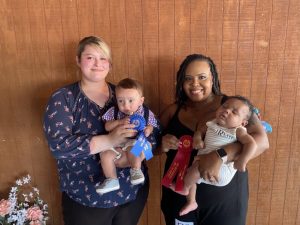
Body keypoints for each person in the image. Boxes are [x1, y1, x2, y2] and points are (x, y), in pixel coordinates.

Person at [43, 36, 160, 225]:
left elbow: (154, 135)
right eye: (90, 57)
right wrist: (109, 140)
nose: (97, 63)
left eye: (103, 58)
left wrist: (134, 155)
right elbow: (59, 147)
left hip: (131, 194)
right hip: (86, 198)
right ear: (78, 60)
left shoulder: (124, 94)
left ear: (110, 64)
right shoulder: (63, 98)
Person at [160, 54, 269, 225]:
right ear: (181, 82)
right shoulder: (171, 111)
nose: (195, 84)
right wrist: (161, 145)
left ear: (213, 78)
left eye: (202, 77)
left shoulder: (236, 106)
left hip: (226, 203)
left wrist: (219, 155)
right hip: (179, 198)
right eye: (188, 78)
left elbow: (262, 142)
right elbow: (146, 147)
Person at [171, 95, 257, 216]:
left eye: (234, 112)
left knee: (193, 172)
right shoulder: (212, 123)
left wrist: (243, 160)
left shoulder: (237, 130)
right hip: (202, 165)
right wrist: (197, 139)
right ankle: (191, 202)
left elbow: (251, 143)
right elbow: (199, 131)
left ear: (243, 122)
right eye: (224, 106)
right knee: (191, 173)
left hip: (222, 170)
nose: (226, 110)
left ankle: (185, 188)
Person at [96, 78, 158, 194]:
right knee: (105, 154)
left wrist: (148, 130)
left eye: (131, 100)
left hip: (134, 142)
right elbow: (107, 126)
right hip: (116, 144)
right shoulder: (114, 112)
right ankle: (112, 179)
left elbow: (152, 125)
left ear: (141, 101)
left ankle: (136, 170)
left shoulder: (145, 112)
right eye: (121, 101)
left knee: (133, 149)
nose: (126, 105)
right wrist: (119, 122)